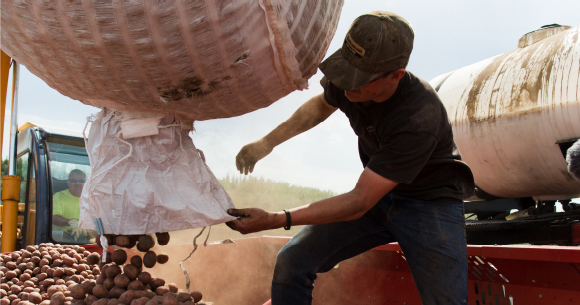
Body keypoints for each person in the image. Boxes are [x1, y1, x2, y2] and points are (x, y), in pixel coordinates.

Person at [226, 11, 475, 305]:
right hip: (379, 198)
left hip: (428, 204)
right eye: (346, 73)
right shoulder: (349, 79)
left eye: (358, 81)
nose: (347, 86)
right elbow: (319, 108)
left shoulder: (417, 117)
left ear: (395, 75)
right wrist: (267, 143)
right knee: (292, 261)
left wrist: (276, 218)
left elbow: (359, 201)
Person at [52, 169, 93, 242]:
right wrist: (70, 222)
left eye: (81, 181)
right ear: (68, 183)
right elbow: (53, 218)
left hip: (87, 236)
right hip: (63, 236)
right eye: (73, 181)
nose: (77, 183)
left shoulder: (91, 199)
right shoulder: (58, 196)